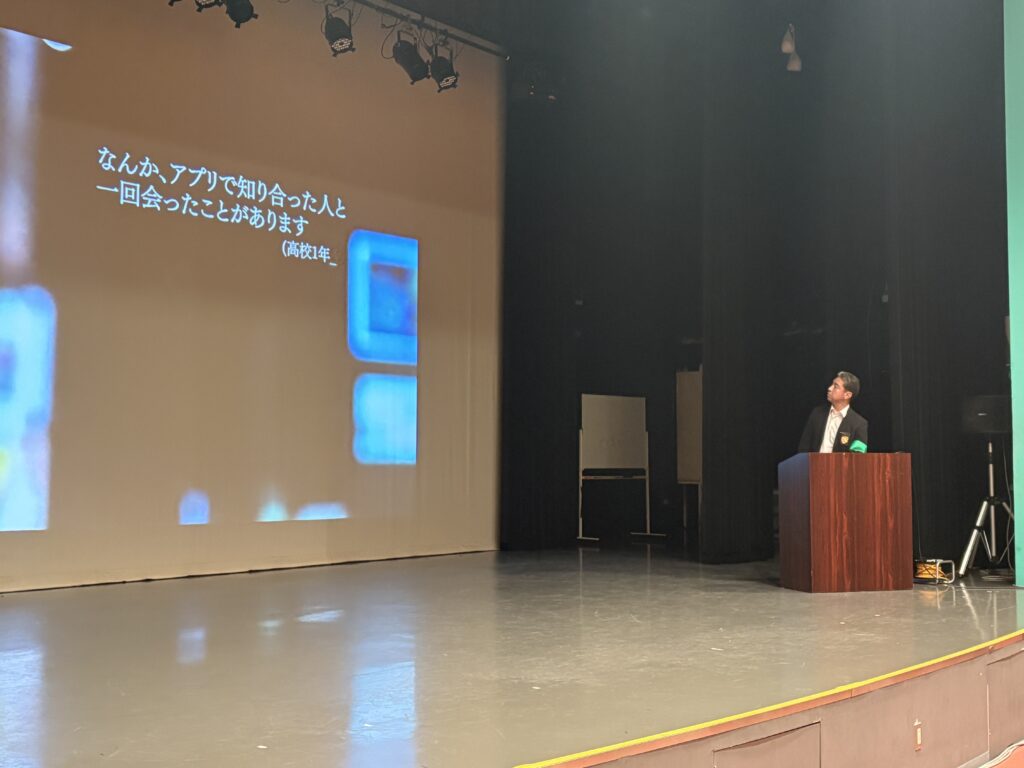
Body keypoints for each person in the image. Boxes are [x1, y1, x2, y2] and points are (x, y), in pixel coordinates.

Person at [798, 371, 868, 453]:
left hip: (840, 462)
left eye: (835, 386)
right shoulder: (817, 413)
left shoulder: (859, 423)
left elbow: (858, 455)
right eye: (832, 384)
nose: (829, 388)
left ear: (847, 395)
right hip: (814, 461)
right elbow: (804, 447)